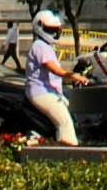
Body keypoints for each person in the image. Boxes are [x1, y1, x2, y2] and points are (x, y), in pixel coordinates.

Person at [21, 9, 81, 146]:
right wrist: (70, 75)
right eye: (50, 29)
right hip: (41, 93)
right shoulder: (40, 46)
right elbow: (53, 68)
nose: (54, 33)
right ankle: (67, 153)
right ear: (40, 27)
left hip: (50, 92)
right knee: (64, 122)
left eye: (56, 29)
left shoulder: (47, 46)